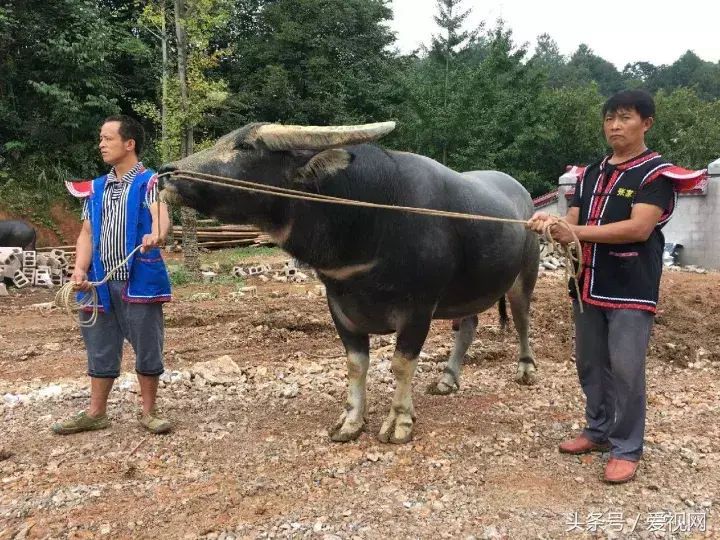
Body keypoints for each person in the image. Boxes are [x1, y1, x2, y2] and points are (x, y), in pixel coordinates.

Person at [527, 89, 679, 484]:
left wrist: (574, 230)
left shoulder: (656, 174)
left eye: (625, 117)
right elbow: (572, 217)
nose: (615, 125)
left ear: (646, 123)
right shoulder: (591, 172)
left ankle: (627, 447)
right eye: (610, 117)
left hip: (630, 285)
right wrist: (551, 224)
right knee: (590, 363)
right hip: (586, 282)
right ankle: (597, 430)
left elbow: (639, 227)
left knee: (627, 368)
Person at [52, 115, 173, 435]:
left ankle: (148, 412)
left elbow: (162, 219)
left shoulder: (149, 182)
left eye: (108, 138)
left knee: (147, 343)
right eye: (101, 138)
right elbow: (86, 233)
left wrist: (156, 235)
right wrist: (79, 268)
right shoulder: (95, 188)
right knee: (100, 343)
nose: (101, 144)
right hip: (98, 281)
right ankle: (96, 412)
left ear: (129, 144)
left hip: (139, 278)